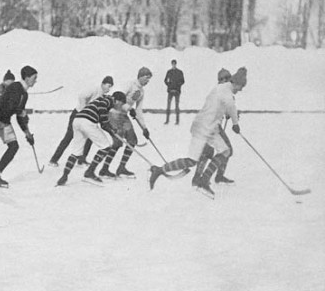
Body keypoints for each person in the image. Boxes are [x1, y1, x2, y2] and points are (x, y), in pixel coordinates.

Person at [149, 67, 247, 198]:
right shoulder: (227, 92)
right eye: (241, 87)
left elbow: (224, 106)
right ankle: (203, 180)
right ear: (236, 83)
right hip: (207, 127)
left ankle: (160, 170)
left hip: (202, 126)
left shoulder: (219, 89)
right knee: (223, 152)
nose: (240, 90)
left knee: (196, 159)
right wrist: (235, 124)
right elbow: (231, 107)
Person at [56, 91, 126, 186]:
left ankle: (64, 176)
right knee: (105, 147)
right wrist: (112, 132)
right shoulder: (108, 101)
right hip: (87, 122)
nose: (120, 107)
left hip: (77, 120)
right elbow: (103, 123)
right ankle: (89, 172)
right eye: (121, 104)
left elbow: (104, 121)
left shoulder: (103, 99)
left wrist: (111, 129)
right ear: (117, 100)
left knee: (76, 152)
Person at [97, 67, 152, 179]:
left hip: (124, 116)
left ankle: (121, 168)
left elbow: (138, 110)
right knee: (117, 142)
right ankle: (104, 169)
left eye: (149, 79)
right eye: (146, 78)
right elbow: (117, 98)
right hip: (113, 114)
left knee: (132, 140)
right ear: (140, 76)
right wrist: (128, 107)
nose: (147, 81)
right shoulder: (130, 84)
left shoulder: (141, 92)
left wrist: (144, 128)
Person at [48, 76, 114, 167]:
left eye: (111, 87)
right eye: (108, 85)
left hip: (87, 118)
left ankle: (81, 160)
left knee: (90, 137)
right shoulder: (94, 89)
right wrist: (84, 109)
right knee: (69, 136)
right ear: (102, 84)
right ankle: (53, 160)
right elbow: (81, 96)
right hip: (78, 114)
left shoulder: (103, 96)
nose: (109, 89)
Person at [164, 59, 185, 125]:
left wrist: (178, 86)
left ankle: (177, 121)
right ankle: (167, 120)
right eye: (172, 64)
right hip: (170, 91)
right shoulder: (169, 72)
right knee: (168, 106)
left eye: (174, 64)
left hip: (177, 91)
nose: (173, 65)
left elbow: (182, 81)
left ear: (176, 64)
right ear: (171, 64)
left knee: (177, 106)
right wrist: (169, 86)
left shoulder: (180, 72)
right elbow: (165, 80)